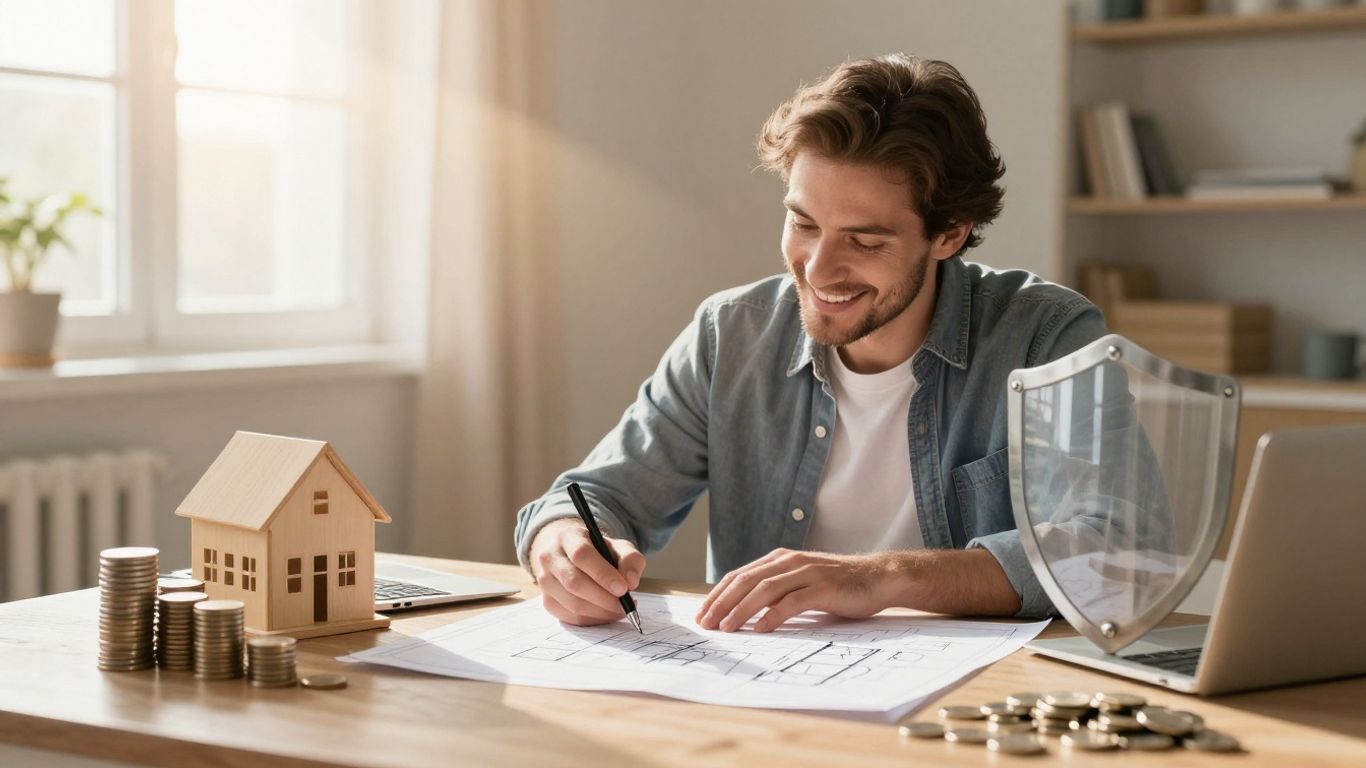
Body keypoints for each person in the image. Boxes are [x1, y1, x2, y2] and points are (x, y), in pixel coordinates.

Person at [514, 53, 1106, 632]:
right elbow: (594, 495)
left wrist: (883, 577)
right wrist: (561, 543)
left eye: (865, 241)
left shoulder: (1046, 338)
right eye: (803, 224)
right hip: (770, 698)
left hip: (977, 704)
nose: (819, 271)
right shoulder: (732, 335)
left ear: (950, 234)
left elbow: (1110, 551)